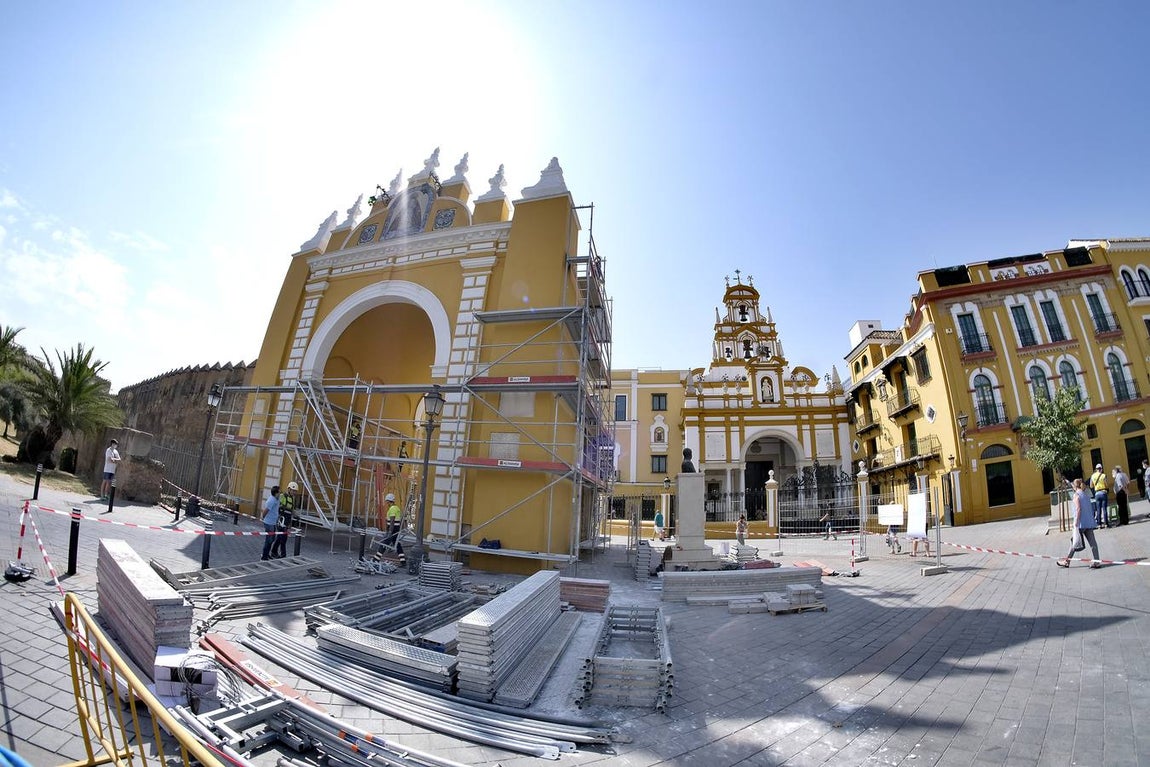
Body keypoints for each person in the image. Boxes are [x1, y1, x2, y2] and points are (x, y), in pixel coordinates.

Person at [1058, 478, 1101, 569]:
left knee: (1075, 542)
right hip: (1089, 522)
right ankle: (1097, 561)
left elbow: (1078, 509)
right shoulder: (1085, 494)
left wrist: (1076, 523)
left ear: (1075, 486)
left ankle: (1067, 561)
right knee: (1093, 543)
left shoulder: (1076, 495)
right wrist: (1067, 481)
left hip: (1081, 523)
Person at [271, 482, 297, 558]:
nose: (294, 492)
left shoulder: (292, 498)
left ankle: (273, 551)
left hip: (287, 520)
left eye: (295, 491)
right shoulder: (282, 496)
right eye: (293, 490)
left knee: (279, 538)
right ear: (289, 489)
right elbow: (276, 505)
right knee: (283, 539)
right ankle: (283, 556)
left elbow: (291, 510)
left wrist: (296, 516)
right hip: (281, 520)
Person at [260, 485, 280, 561]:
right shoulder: (271, 500)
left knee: (272, 539)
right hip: (269, 523)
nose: (280, 493)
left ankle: (267, 554)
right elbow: (266, 510)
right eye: (279, 492)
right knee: (269, 539)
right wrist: (263, 517)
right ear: (276, 493)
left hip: (273, 522)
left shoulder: (276, 499)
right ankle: (264, 556)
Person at [1089, 464, 1110, 528]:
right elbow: (1106, 484)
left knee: (1098, 509)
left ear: (1096, 469)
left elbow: (1091, 486)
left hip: (1097, 494)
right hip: (1103, 492)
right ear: (1101, 469)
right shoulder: (1103, 475)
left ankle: (1099, 524)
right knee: (1104, 509)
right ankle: (1106, 524)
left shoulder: (1092, 476)